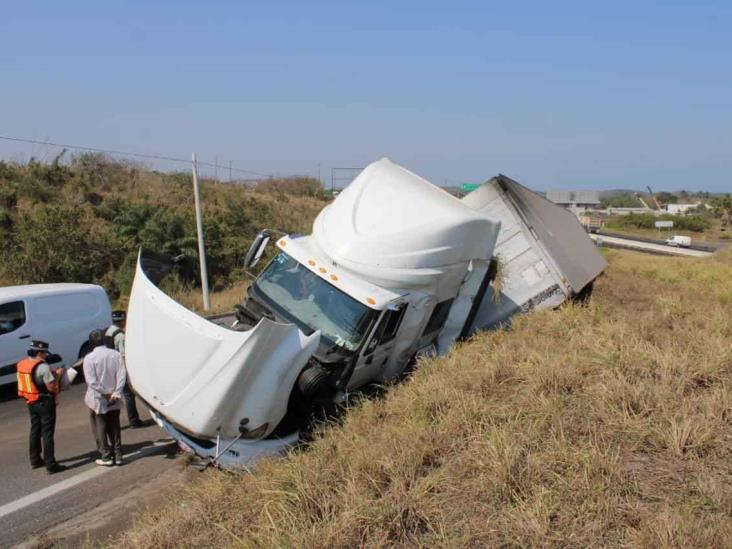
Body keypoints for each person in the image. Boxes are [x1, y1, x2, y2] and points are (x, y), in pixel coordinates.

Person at [17, 340, 67, 474]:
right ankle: (51, 464)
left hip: (30, 401)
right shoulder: (43, 367)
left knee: (35, 430)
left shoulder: (22, 363)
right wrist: (58, 375)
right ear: (39, 352)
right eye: (44, 353)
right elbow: (52, 387)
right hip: (44, 402)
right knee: (47, 433)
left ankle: (35, 460)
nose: (45, 356)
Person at [83, 329, 126, 466]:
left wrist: (105, 393)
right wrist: (115, 393)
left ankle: (106, 456)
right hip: (114, 396)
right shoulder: (115, 354)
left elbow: (92, 381)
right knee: (115, 426)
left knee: (100, 426)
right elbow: (122, 375)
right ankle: (118, 455)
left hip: (98, 398)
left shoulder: (89, 358)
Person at [105, 310, 143, 428]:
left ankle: (111, 424)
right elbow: (123, 355)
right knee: (128, 395)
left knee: (111, 396)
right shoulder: (121, 335)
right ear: (123, 320)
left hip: (109, 368)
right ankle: (134, 420)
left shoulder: (107, 331)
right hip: (120, 367)